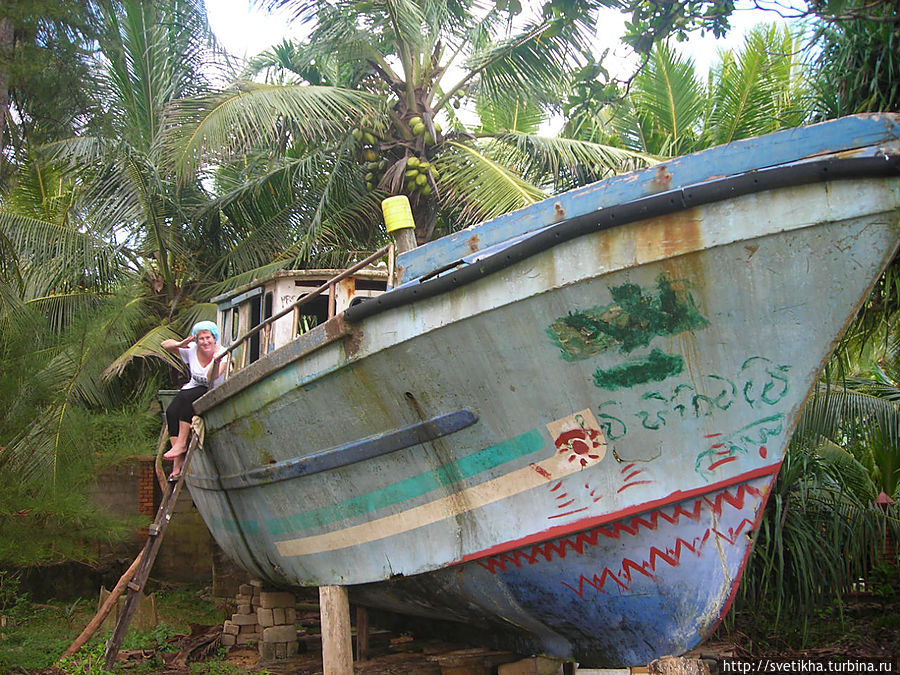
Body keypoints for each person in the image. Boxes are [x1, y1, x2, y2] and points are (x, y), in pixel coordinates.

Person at [161, 321, 229, 480]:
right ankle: (177, 460)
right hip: (194, 387)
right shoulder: (192, 350)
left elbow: (210, 378)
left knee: (186, 401)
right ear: (196, 340)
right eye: (201, 339)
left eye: (208, 338)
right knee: (171, 412)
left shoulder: (223, 353)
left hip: (212, 389)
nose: (205, 342)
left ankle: (181, 443)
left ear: (214, 338)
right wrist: (179, 344)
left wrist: (216, 359)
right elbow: (165, 345)